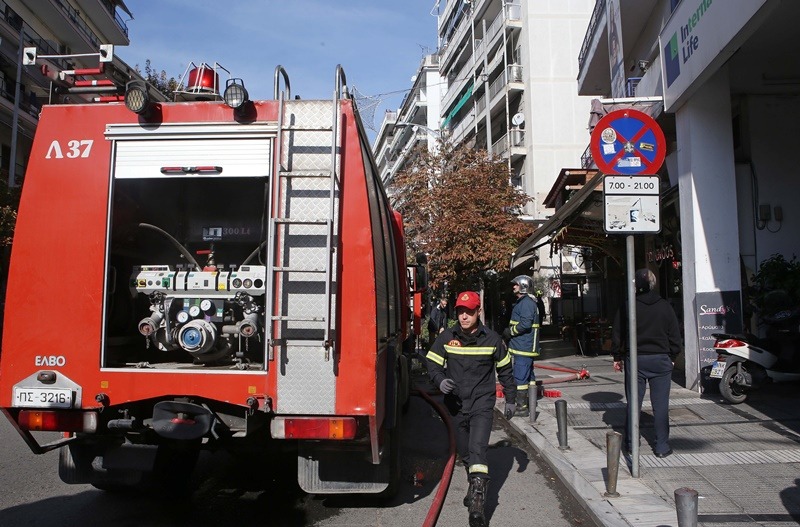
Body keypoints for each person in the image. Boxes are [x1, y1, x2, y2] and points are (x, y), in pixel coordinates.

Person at [426, 291, 515, 527]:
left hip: (482, 404)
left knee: (477, 450)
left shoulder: (493, 340)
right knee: (465, 451)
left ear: (478, 312)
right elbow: (432, 362)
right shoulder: (447, 337)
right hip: (455, 405)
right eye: (460, 312)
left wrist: (512, 398)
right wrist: (440, 380)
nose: (464, 317)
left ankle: (478, 504)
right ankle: (474, 480)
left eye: (469, 312)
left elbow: (505, 370)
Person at [611, 268, 682, 458]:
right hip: (660, 360)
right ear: (653, 284)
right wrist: (673, 356)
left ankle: (631, 443)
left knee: (633, 403)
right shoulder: (665, 306)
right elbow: (675, 335)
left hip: (635, 360)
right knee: (660, 406)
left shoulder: (628, 306)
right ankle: (661, 447)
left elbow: (618, 333)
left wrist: (617, 357)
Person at [503, 275, 541, 417]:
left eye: (516, 285)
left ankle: (521, 407)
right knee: (529, 377)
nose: (513, 287)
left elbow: (525, 324)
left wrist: (510, 332)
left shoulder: (526, 303)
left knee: (520, 378)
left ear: (523, 286)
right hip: (523, 346)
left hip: (523, 347)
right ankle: (530, 403)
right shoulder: (525, 302)